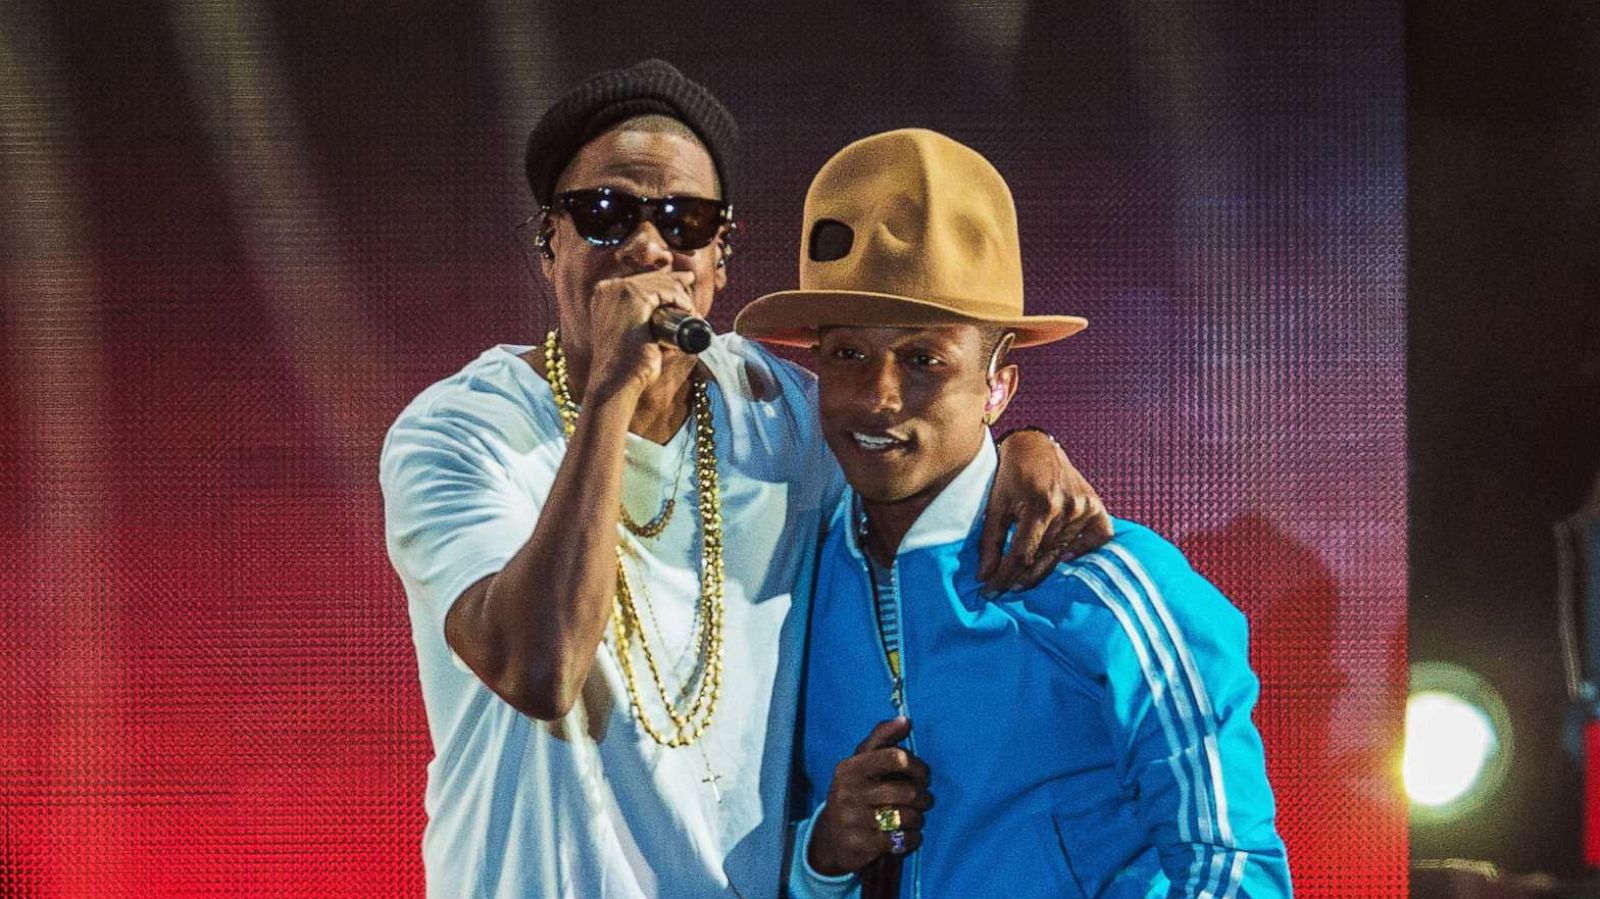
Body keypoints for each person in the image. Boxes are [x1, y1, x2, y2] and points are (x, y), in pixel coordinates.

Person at [380, 61, 1111, 898]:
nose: (650, 247)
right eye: (607, 214)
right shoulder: (461, 431)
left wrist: (1021, 441)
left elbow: (911, 444)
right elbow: (540, 669)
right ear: (550, 240)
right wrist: (618, 384)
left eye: (685, 221)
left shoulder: (779, 411)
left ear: (720, 258)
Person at [734, 128, 1293, 898]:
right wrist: (822, 854)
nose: (878, 396)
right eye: (847, 355)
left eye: (925, 359)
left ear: (998, 386)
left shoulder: (1113, 586)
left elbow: (1232, 866)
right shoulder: (789, 587)